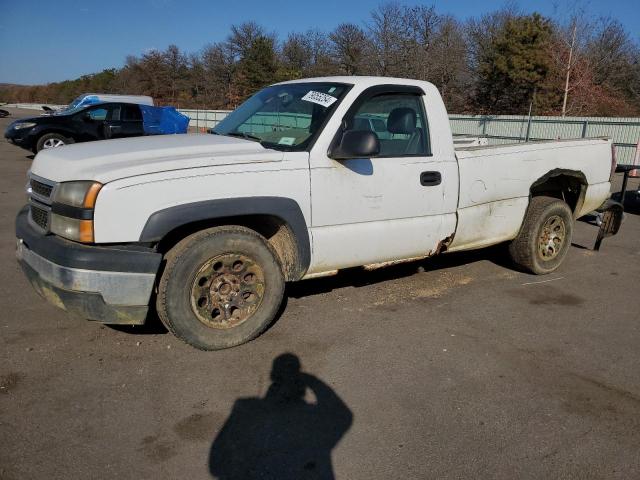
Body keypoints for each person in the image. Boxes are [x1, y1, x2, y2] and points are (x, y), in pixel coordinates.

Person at [209, 353, 353, 479]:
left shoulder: (247, 409)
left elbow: (216, 465)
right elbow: (343, 416)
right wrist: (311, 379)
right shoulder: (310, 416)